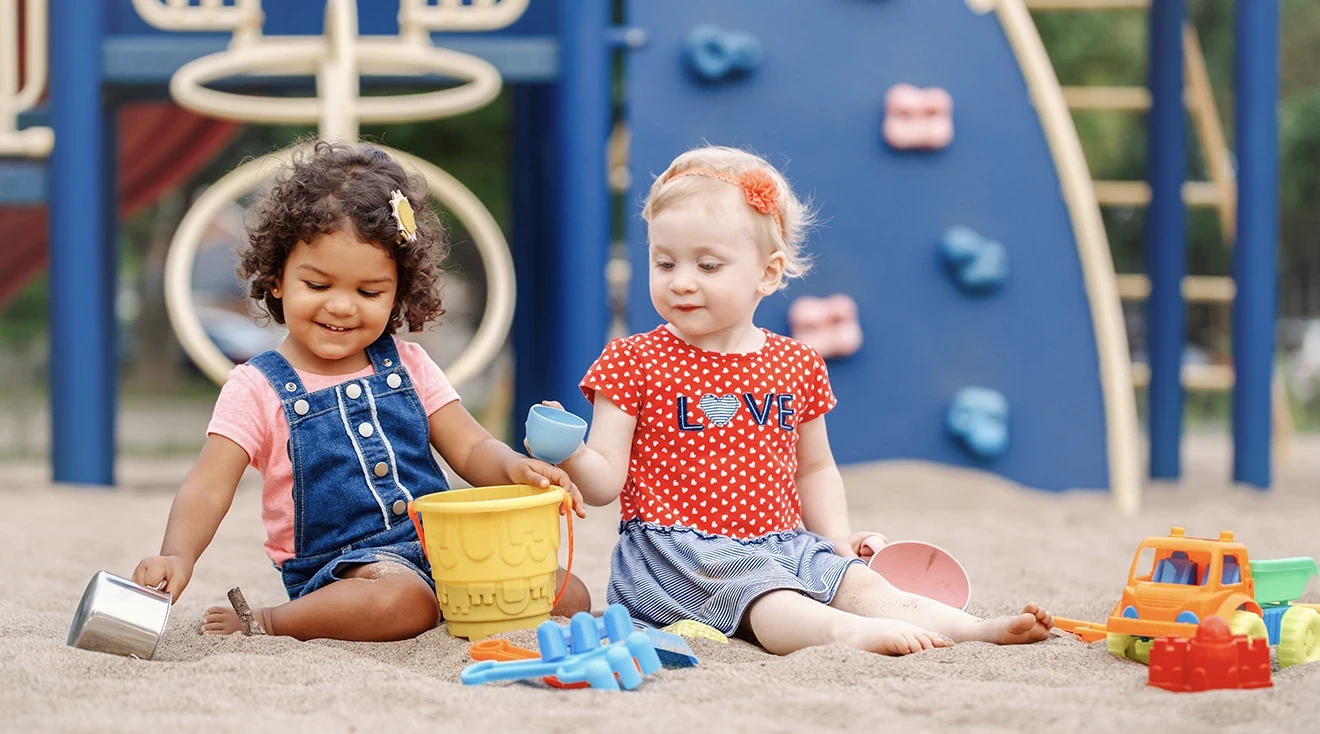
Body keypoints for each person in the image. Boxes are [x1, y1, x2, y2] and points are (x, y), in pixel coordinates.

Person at [549, 145, 1052, 655]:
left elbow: (814, 469)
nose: (681, 281)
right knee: (772, 600)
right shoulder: (633, 360)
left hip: (784, 543)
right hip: (678, 556)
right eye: (664, 261)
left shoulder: (797, 363)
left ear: (767, 273)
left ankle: (969, 628)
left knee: (860, 583)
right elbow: (605, 483)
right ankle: (844, 634)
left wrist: (835, 536)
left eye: (707, 265)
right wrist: (569, 452)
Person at [133, 141, 589, 642]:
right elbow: (208, 484)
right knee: (399, 601)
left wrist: (512, 468)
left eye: (369, 292)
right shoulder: (257, 386)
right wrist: (178, 553)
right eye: (319, 285)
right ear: (278, 278)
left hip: (443, 548)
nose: (343, 307)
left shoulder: (409, 365)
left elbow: (470, 445)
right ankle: (270, 621)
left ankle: (450, 603)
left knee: (568, 593)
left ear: (399, 291)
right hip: (345, 572)